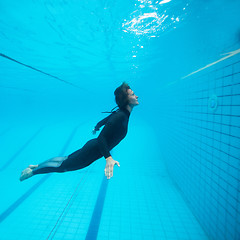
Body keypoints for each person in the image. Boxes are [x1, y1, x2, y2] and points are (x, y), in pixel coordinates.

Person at [20, 82, 139, 181]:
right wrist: (108, 158)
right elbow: (102, 138)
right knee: (62, 167)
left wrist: (96, 127)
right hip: (92, 150)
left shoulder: (121, 113)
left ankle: (37, 166)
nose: (136, 96)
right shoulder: (120, 116)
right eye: (133, 94)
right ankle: (32, 172)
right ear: (126, 100)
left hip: (92, 147)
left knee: (65, 159)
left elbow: (105, 121)